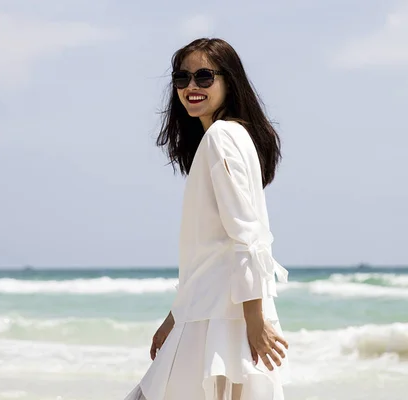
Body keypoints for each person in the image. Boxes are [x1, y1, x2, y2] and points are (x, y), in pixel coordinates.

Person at [124, 38, 290, 400]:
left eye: (204, 76)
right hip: (209, 313)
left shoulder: (222, 137)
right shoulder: (233, 135)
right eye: (182, 78)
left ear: (229, 80)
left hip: (219, 322)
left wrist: (254, 321)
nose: (191, 87)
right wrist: (174, 318)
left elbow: (246, 236)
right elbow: (212, 250)